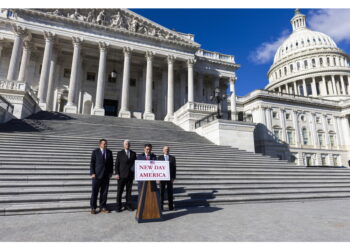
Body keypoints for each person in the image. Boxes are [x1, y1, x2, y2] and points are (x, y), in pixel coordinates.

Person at [89, 139, 113, 214]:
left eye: (106, 144)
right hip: (96, 175)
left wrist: (111, 172)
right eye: (104, 144)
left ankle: (103, 207)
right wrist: (92, 173)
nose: (105, 145)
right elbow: (92, 163)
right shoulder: (95, 152)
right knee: (95, 192)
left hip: (106, 176)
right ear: (100, 144)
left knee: (104, 193)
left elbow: (111, 163)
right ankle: (93, 208)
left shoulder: (109, 152)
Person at [115, 139, 137, 212]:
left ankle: (128, 205)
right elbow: (117, 164)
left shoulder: (133, 153)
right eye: (126, 144)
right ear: (123, 145)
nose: (127, 145)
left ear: (130, 145)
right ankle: (118, 206)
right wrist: (117, 173)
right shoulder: (120, 153)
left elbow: (135, 164)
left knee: (129, 192)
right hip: (121, 175)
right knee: (119, 191)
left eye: (128, 144)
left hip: (130, 176)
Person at [158, 146, 176, 211]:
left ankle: (170, 206)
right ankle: (161, 206)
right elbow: (157, 168)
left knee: (170, 192)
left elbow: (174, 168)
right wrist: (158, 178)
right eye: (165, 149)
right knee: (161, 192)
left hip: (170, 178)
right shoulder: (159, 157)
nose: (166, 150)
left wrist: (173, 177)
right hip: (162, 177)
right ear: (163, 150)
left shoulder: (172, 158)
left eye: (167, 149)